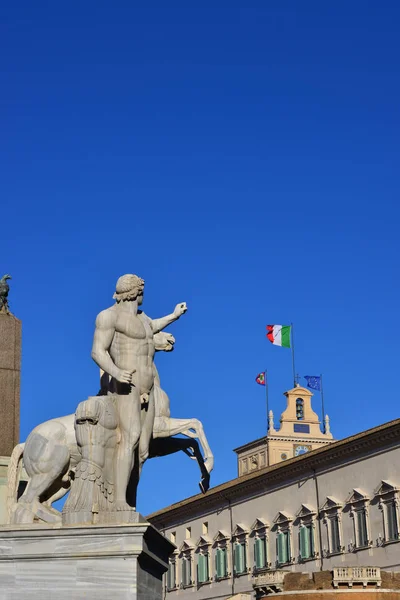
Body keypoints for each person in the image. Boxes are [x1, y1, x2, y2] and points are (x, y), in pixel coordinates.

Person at [91, 274, 187, 510]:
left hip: (148, 388)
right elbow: (97, 351)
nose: (143, 294)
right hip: (126, 387)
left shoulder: (144, 319)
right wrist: (116, 372)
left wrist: (174, 315)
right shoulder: (108, 316)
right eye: (142, 290)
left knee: (143, 450)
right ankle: (118, 501)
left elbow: (153, 328)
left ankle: (130, 501)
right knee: (129, 439)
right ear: (134, 292)